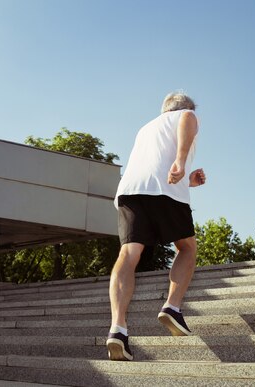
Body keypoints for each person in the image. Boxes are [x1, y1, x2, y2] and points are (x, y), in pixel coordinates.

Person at [106, 91, 206, 361]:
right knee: (187, 248)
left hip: (130, 191)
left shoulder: (146, 128)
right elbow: (187, 119)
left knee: (128, 254)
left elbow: (152, 165)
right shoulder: (186, 115)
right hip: (165, 189)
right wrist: (182, 161)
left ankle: (118, 329)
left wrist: (188, 181)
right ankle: (172, 307)